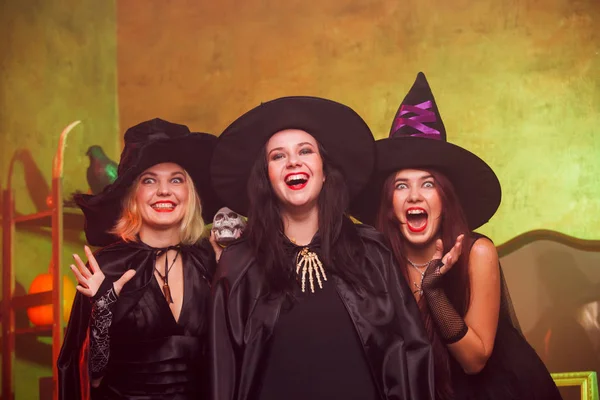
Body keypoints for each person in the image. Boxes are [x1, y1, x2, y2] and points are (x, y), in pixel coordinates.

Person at [209, 96, 454, 400]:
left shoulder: (372, 253)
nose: (293, 162)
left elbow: (412, 354)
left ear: (324, 172)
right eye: (277, 156)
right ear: (267, 178)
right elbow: (223, 371)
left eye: (305, 151)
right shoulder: (238, 264)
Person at [352, 73, 562, 400]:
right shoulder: (375, 260)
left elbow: (475, 361)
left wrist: (434, 293)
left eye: (428, 184)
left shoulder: (478, 252)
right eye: (401, 186)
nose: (414, 197)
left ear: (445, 201)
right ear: (390, 206)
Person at [58, 118, 222, 400]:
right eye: (149, 180)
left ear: (190, 194)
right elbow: (91, 379)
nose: (164, 190)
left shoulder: (209, 260)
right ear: (132, 195)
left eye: (176, 179)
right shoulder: (106, 267)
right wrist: (103, 310)